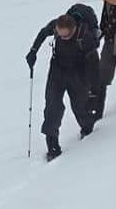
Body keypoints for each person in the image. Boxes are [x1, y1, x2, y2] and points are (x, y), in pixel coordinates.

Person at [25, 14, 98, 161]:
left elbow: (94, 64)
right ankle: (52, 146)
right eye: (60, 35)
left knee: (79, 106)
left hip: (78, 71)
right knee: (52, 106)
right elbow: (43, 33)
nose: (63, 38)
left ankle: (87, 130)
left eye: (66, 36)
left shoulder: (85, 36)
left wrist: (93, 90)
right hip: (57, 70)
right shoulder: (56, 26)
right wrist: (33, 51)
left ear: (73, 30)